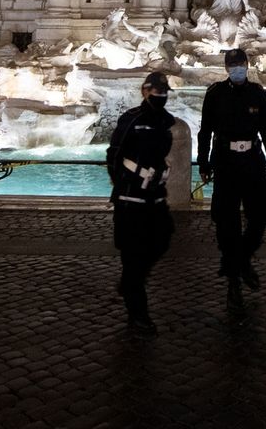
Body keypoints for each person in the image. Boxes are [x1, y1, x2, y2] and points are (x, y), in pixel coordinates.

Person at [197, 48, 266, 313]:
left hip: (252, 160)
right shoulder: (215, 94)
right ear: (226, 68)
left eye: (240, 64)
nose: (237, 69)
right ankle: (234, 280)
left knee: (262, 211)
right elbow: (205, 131)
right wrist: (203, 162)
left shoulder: (257, 93)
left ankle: (241, 259)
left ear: (247, 64)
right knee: (226, 220)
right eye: (232, 65)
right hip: (225, 162)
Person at [106, 71, 177, 335]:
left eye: (164, 92)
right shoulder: (132, 119)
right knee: (132, 254)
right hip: (130, 198)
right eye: (157, 91)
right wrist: (122, 183)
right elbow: (114, 154)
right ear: (145, 91)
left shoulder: (166, 121)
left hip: (155, 197)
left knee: (163, 239)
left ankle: (130, 282)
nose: (161, 95)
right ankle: (138, 313)